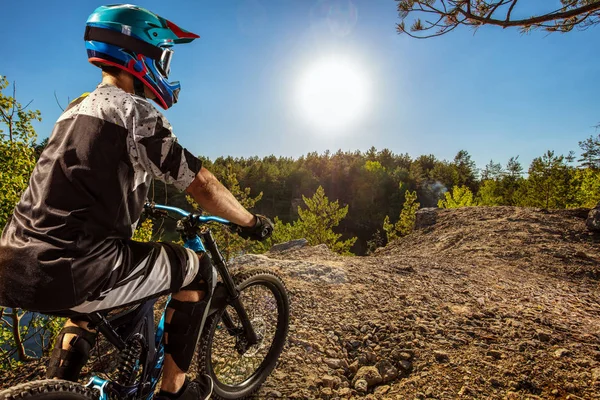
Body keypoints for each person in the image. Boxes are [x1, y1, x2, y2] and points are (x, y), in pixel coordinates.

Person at [0, 4, 273, 399]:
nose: (165, 68)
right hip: (80, 264)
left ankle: (61, 388)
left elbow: (80, 180)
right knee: (198, 271)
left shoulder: (75, 110)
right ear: (140, 57)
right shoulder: (135, 112)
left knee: (84, 309)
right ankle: (174, 392)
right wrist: (249, 221)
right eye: (163, 56)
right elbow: (202, 185)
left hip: (14, 260)